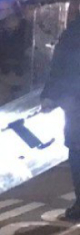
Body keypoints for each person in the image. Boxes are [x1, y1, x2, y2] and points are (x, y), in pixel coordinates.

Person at [43, 12, 80, 222]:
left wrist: (51, 94)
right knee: (76, 149)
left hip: (74, 99)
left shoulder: (74, 30)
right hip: (75, 100)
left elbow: (59, 65)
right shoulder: (74, 30)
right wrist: (50, 94)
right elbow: (59, 65)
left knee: (77, 150)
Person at [0, 0, 32, 109]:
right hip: (2, 74)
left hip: (20, 75)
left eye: (0, 10)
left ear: (11, 10)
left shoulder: (26, 28)